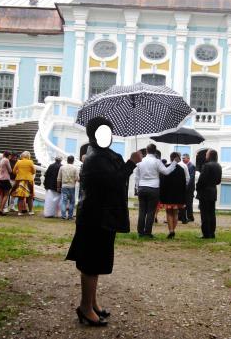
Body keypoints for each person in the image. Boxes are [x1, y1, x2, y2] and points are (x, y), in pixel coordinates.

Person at [66, 117, 142, 326]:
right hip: (94, 217)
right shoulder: (95, 158)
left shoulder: (101, 154)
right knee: (91, 264)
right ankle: (85, 307)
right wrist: (131, 163)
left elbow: (115, 175)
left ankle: (92, 303)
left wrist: (128, 162)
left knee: (97, 263)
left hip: (101, 215)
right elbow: (114, 181)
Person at [134, 143, 177, 238]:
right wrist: (174, 163)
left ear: (146, 150)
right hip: (153, 188)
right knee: (151, 211)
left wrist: (137, 188)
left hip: (142, 187)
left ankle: (140, 232)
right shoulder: (157, 161)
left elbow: (136, 176)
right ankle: (147, 232)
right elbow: (166, 172)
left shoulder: (140, 161)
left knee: (142, 211)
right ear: (155, 151)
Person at [159, 151, 190, 239]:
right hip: (178, 195)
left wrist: (161, 194)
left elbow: (162, 182)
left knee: (169, 213)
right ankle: (173, 230)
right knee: (176, 213)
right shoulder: (181, 169)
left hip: (168, 194)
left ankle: (171, 230)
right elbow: (185, 182)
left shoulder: (166, 167)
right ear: (178, 159)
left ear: (170, 158)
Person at [195, 149, 222, 239]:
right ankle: (212, 232)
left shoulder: (206, 166)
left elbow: (201, 180)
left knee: (204, 213)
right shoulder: (218, 166)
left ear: (209, 155)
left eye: (206, 154)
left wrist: (197, 187)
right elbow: (218, 181)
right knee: (211, 213)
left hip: (205, 191)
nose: (205, 155)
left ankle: (206, 233)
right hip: (213, 191)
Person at [12, 151, 36, 215]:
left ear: (22, 156)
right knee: (30, 197)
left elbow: (14, 171)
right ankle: (30, 211)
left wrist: (19, 173)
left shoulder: (18, 161)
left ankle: (19, 212)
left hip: (20, 181)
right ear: (28, 156)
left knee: (20, 197)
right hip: (29, 180)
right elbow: (34, 171)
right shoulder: (30, 162)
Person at [58, 155, 79, 220]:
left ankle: (63, 216)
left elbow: (59, 178)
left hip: (64, 186)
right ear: (73, 161)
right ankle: (70, 216)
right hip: (72, 186)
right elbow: (77, 178)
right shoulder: (75, 168)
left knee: (64, 201)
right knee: (72, 202)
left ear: (67, 160)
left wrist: (58, 187)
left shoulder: (62, 167)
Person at [179, 153, 196, 223]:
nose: (182, 159)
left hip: (189, 188)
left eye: (184, 158)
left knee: (189, 203)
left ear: (188, 158)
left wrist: (187, 187)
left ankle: (190, 217)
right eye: (182, 158)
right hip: (184, 187)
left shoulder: (191, 166)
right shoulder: (184, 165)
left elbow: (191, 178)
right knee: (183, 202)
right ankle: (181, 216)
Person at [0, 151, 13, 216]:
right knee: (6, 194)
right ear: (8, 155)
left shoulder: (1, 160)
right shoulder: (6, 160)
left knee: (2, 195)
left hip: (0, 178)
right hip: (5, 178)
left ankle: (0, 208)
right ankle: (1, 209)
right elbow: (10, 170)